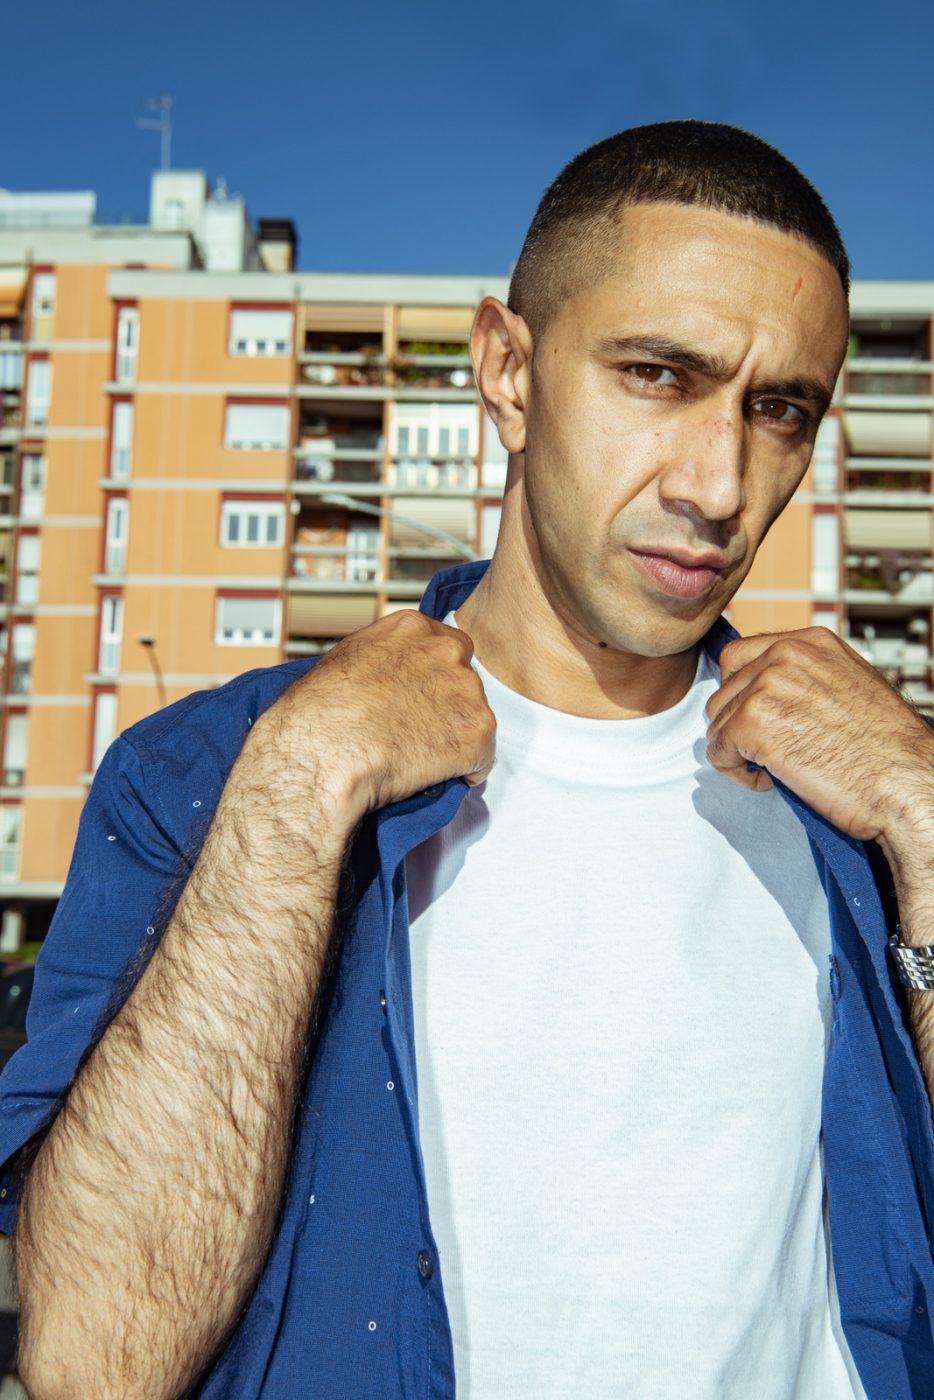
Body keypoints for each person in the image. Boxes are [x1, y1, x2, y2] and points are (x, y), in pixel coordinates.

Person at [3, 120, 934, 1400]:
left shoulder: (860, 806)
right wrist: (298, 787)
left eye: (779, 411)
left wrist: (925, 814)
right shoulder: (217, 769)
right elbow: (95, 1357)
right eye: (657, 374)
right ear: (506, 370)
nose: (720, 485)